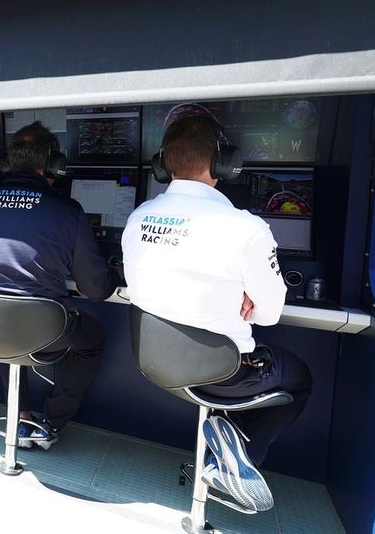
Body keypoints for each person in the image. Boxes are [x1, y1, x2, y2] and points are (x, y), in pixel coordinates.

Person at [121, 111, 312, 513]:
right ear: (224, 163)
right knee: (301, 380)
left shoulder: (137, 218)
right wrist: (246, 292)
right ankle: (236, 459)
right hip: (226, 374)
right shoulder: (245, 228)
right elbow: (269, 315)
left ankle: (227, 444)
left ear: (163, 163)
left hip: (156, 365)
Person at [0, 121, 117, 450]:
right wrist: (113, 273)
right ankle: (50, 423)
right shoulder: (68, 211)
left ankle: (21, 415)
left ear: (8, 165)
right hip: (42, 334)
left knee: (1, 319)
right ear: (55, 164)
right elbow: (96, 289)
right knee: (91, 339)